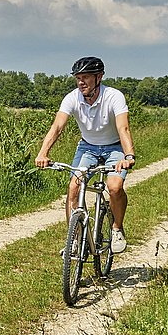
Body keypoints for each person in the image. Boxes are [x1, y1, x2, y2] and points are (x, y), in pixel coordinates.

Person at [35, 56, 136, 253]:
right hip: (87, 147)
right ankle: (74, 239)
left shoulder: (114, 96)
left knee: (114, 187)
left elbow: (123, 128)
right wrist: (43, 153)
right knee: (74, 187)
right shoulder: (72, 98)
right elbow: (57, 127)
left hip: (114, 147)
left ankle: (117, 228)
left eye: (86, 77)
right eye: (78, 78)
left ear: (99, 77)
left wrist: (129, 156)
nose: (81, 82)